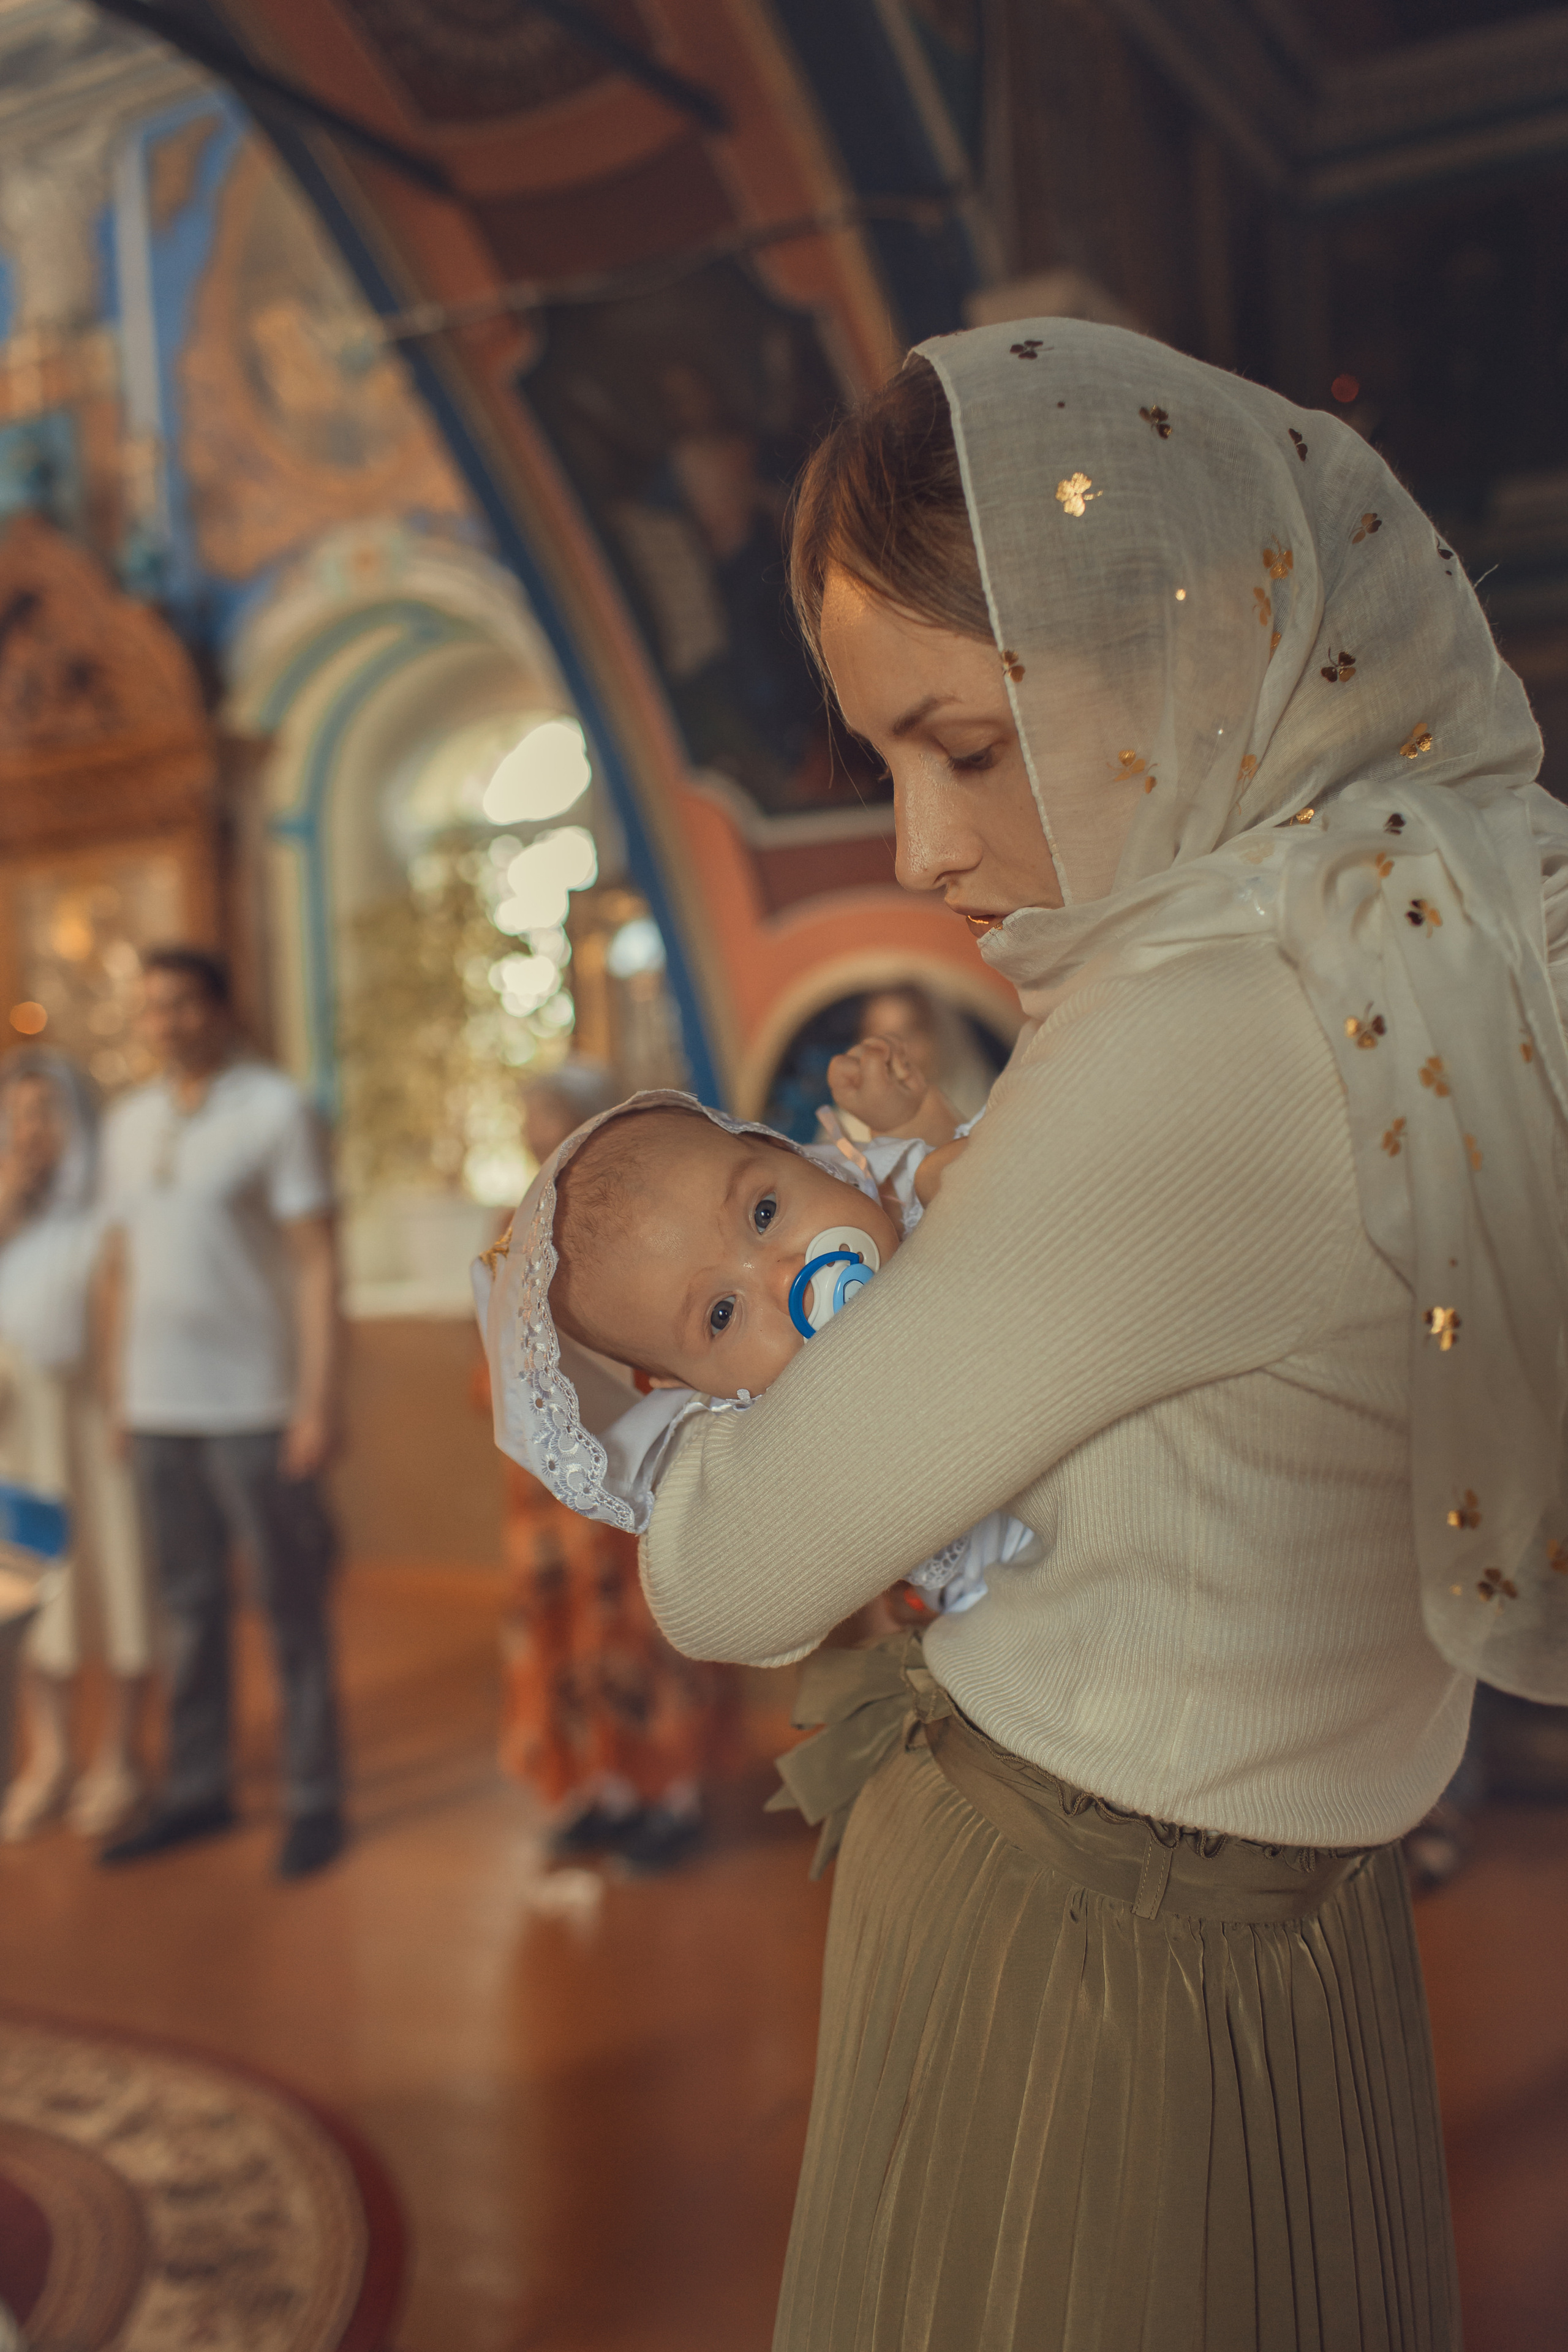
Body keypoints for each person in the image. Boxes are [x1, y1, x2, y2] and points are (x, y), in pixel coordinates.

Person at [632, 323, 1568, 2348]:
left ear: (1178, 653)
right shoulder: (1406, 915)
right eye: (883, 759)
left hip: (1090, 1955)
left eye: (963, 746)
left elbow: (731, 1570)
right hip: (1293, 1932)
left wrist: (653, 1365)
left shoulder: (1199, 1034)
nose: (918, 847)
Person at [97, 948, 346, 1880]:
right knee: (187, 1607)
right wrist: (122, 1395)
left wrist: (317, 1400)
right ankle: (197, 1788)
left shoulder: (275, 1109)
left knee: (289, 1604)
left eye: (179, 1005)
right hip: (159, 1407)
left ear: (218, 1010)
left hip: (258, 1405)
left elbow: (318, 1262)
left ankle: (314, 1797)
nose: (162, 1022)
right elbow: (120, 1266)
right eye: (149, 1007)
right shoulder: (130, 1123)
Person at [490, 1061, 736, 1870]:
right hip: (547, 1486)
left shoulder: (646, 1223)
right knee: (566, 1634)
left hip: (636, 1460)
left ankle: (674, 1791)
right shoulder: (508, 1225)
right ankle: (600, 1786)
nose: (536, 1131)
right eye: (530, 1117)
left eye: (554, 1115)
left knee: (651, 1627)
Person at [0, 1050, 151, 1840]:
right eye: (20, 1115)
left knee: (116, 1586)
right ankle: (51, 1756)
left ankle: (118, 1757)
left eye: (48, 1113)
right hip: (15, 1435)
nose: (33, 1131)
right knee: (25, 1597)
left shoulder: (109, 1212)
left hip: (95, 1425)